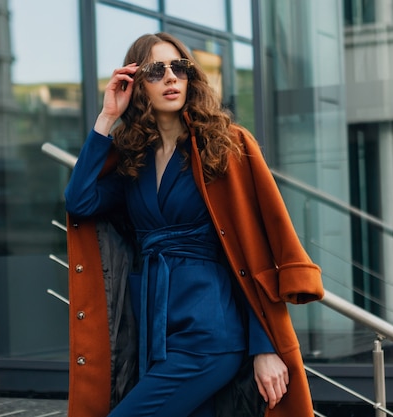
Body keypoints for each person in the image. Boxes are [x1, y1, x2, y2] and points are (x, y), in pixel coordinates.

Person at [64, 32, 324, 417]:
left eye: (179, 68)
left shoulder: (225, 145)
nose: (171, 78)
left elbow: (251, 252)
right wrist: (106, 118)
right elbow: (79, 201)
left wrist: (264, 346)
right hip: (155, 333)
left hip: (210, 335)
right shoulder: (133, 161)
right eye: (156, 70)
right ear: (136, 86)